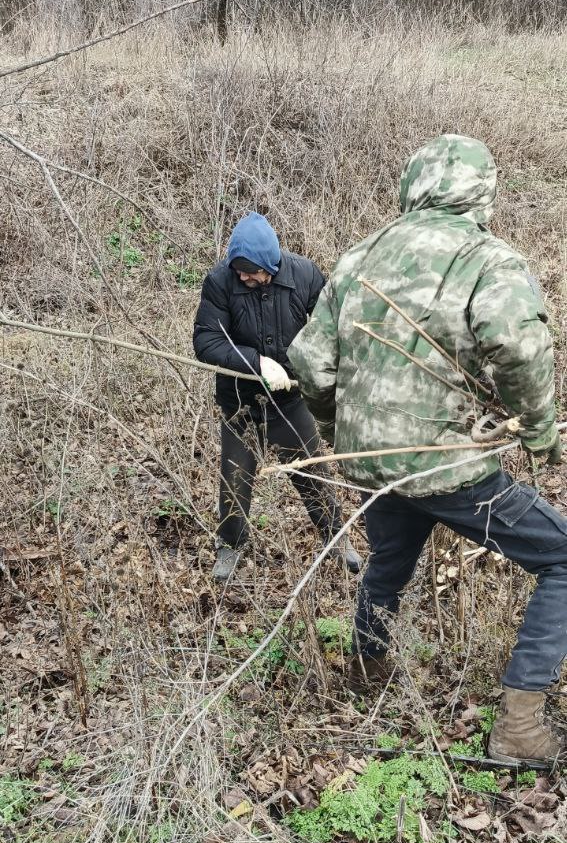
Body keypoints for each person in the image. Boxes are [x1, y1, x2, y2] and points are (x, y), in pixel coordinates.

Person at [288, 134, 566, 767]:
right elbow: (520, 347)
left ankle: (365, 668)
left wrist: (342, 430)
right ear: (482, 193)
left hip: (369, 464)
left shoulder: (362, 255)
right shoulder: (487, 258)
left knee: (390, 556)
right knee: (562, 558)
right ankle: (520, 726)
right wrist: (538, 429)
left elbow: (309, 361)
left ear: (412, 184)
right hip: (446, 464)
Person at [193, 211, 361, 581]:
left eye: (251, 272)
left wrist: (318, 369)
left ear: (271, 265)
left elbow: (330, 326)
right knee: (235, 477)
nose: (244, 277)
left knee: (313, 471)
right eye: (239, 271)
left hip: (289, 401)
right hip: (240, 402)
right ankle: (230, 545)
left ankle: (336, 539)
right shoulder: (220, 282)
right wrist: (256, 362)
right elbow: (206, 340)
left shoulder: (304, 275)